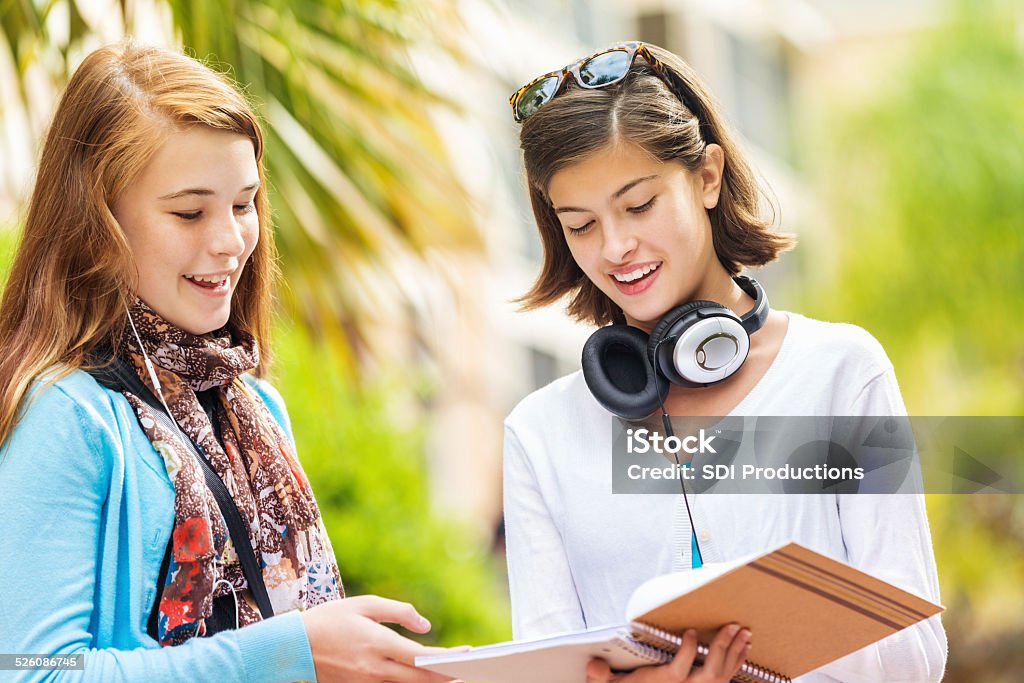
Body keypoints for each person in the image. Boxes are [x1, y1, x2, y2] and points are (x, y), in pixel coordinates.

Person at [0, 41, 458, 683]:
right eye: (189, 211)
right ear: (96, 221)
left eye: (243, 204)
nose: (229, 241)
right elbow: (24, 670)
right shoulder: (66, 417)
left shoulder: (256, 406)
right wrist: (293, 652)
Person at [502, 42, 947, 682]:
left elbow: (918, 653)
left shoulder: (841, 372)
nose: (616, 248)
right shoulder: (539, 433)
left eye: (638, 205)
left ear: (707, 177)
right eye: (581, 225)